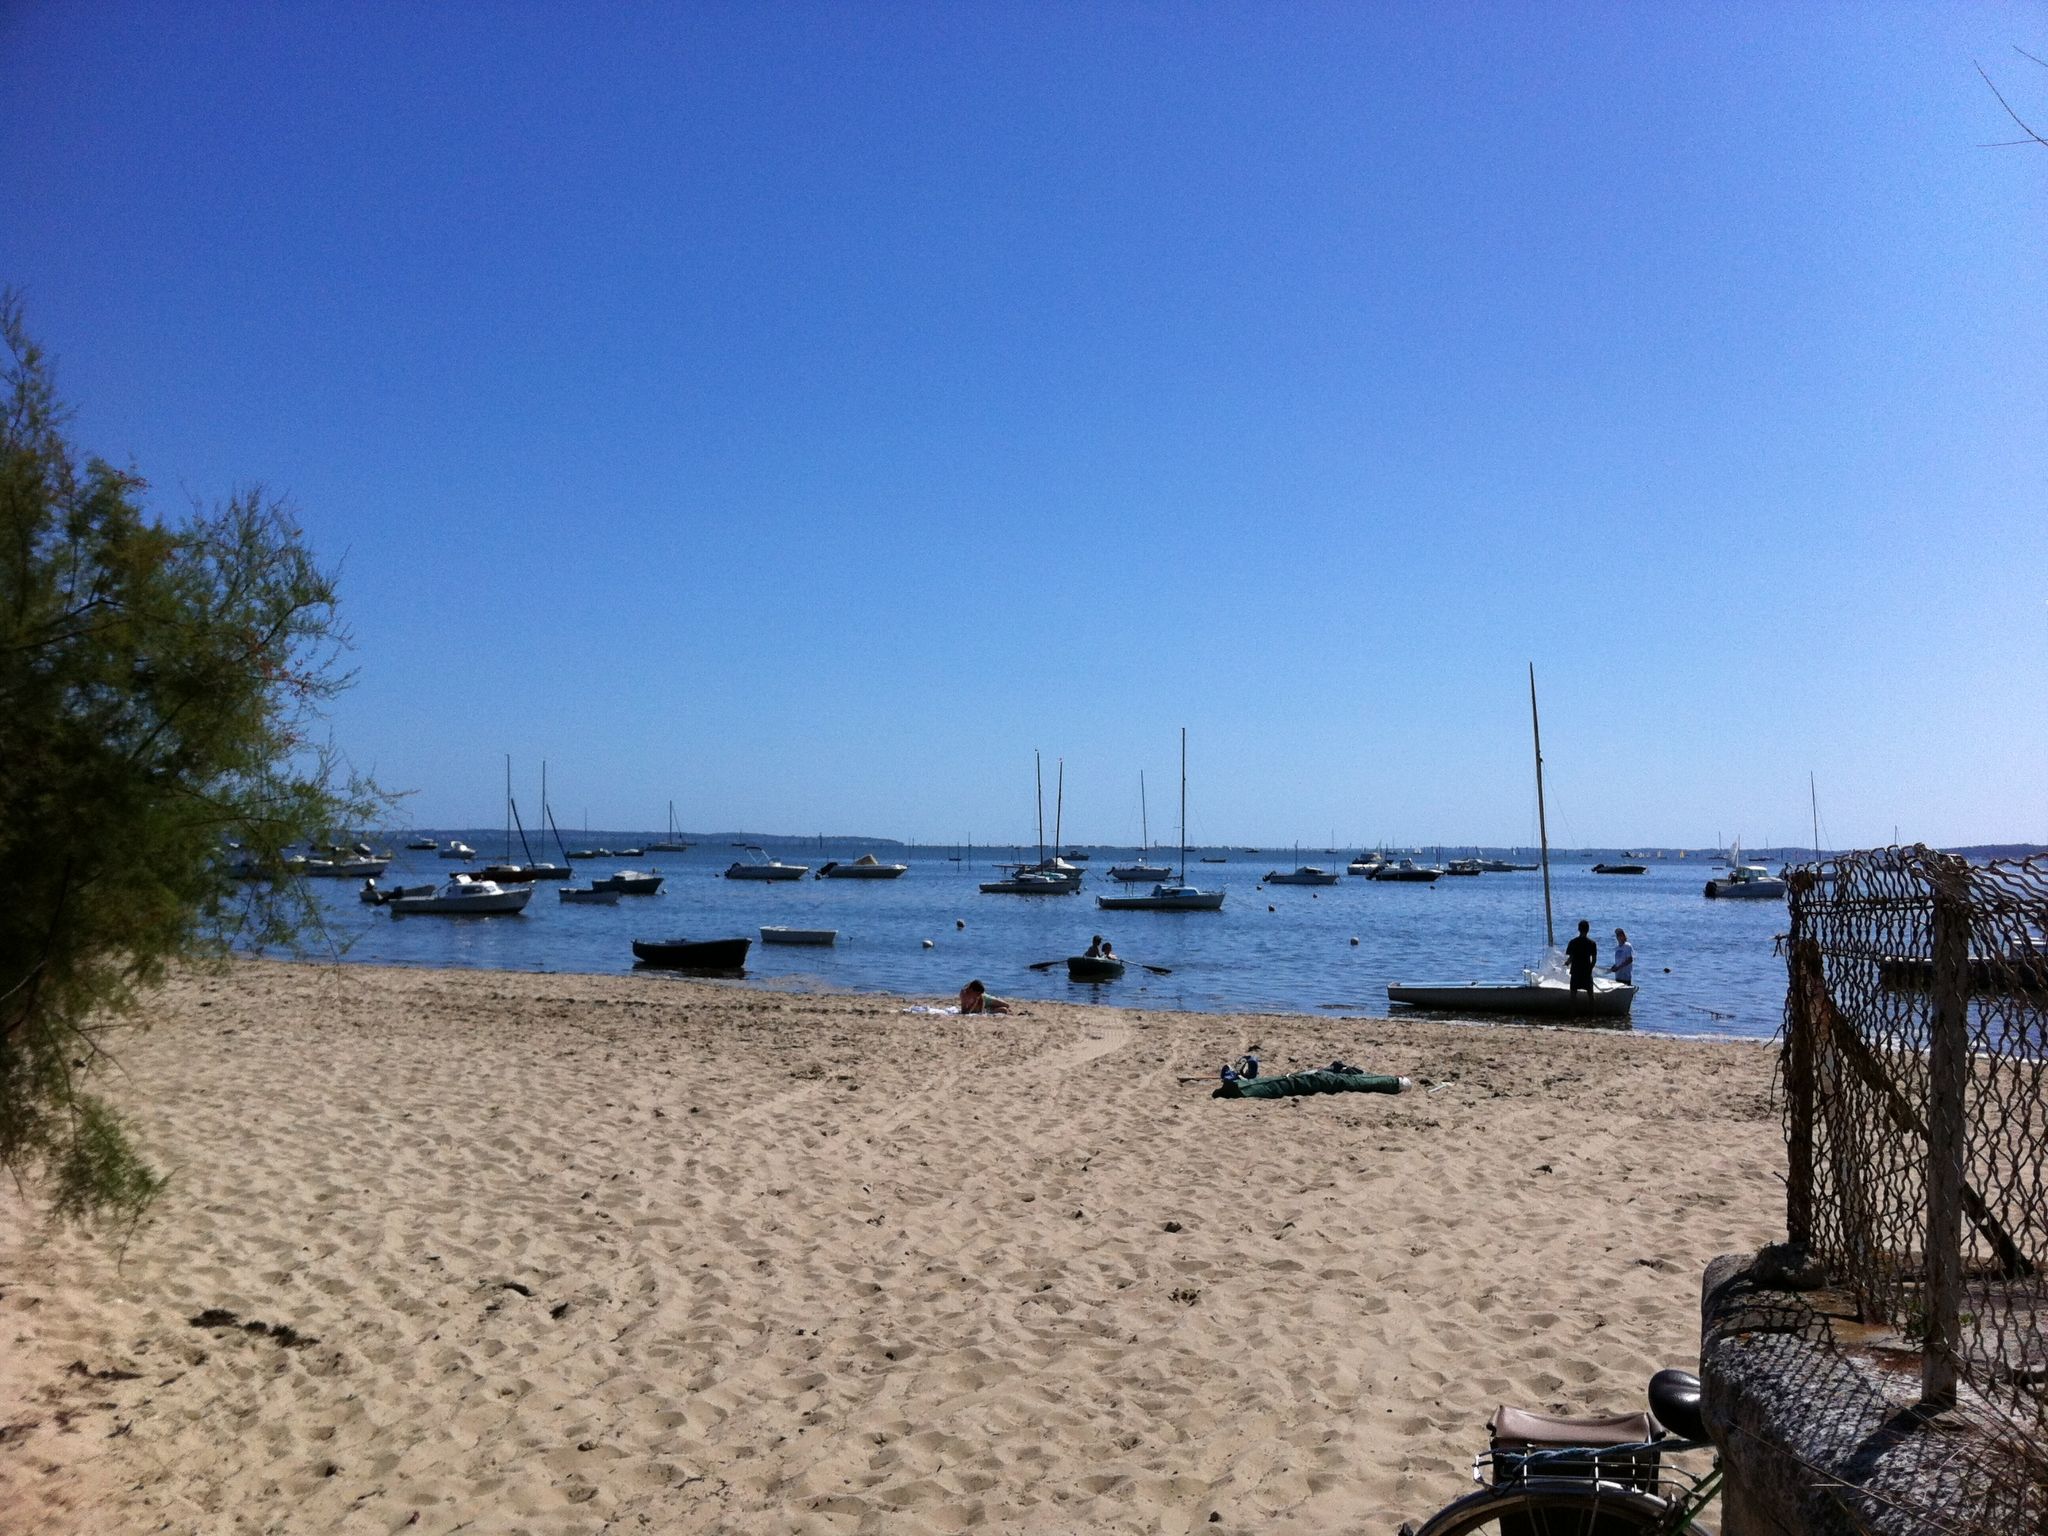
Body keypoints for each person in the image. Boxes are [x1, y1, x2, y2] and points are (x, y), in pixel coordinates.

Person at [1564, 919, 1598, 995]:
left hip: (1575, 972)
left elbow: (1571, 958)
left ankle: (1573, 1007)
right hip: (1586, 972)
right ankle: (1591, 1007)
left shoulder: (1573, 942)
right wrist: (1590, 968)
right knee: (1590, 995)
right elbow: (1594, 960)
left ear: (1578, 929)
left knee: (1573, 994)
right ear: (1588, 930)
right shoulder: (1592, 943)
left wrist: (1566, 963)